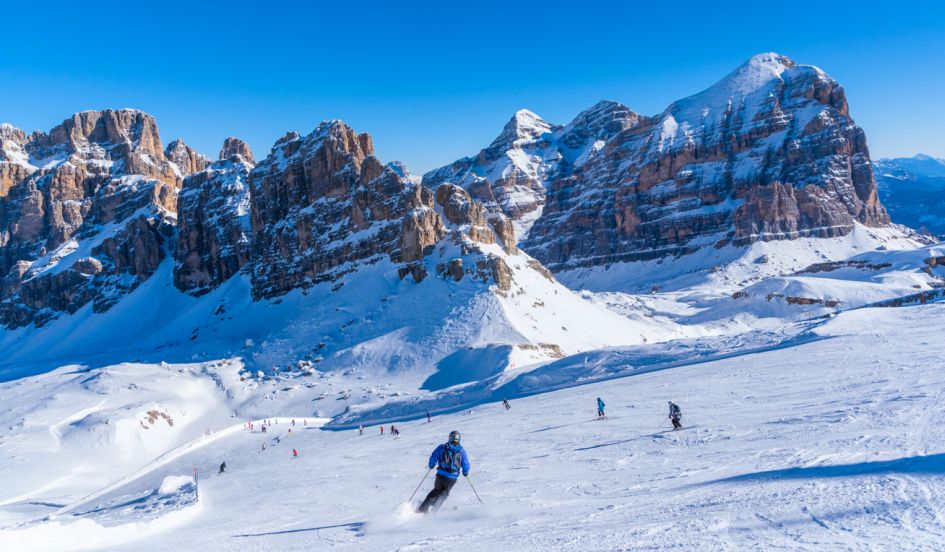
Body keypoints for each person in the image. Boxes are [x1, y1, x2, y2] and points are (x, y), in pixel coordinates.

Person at [417, 431, 470, 514]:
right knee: (444, 494)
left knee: (436, 491)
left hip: (440, 475)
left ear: (450, 438)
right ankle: (434, 511)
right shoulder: (461, 451)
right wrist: (465, 472)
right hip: (452, 478)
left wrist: (431, 465)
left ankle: (422, 509)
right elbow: (465, 463)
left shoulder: (442, 447)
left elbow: (434, 456)